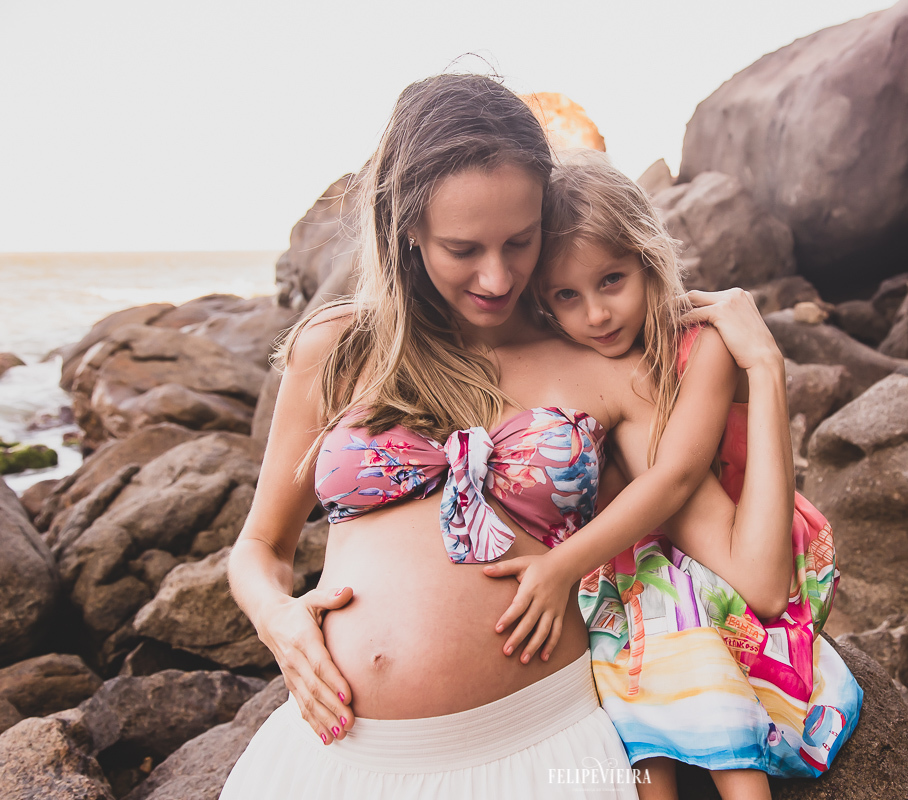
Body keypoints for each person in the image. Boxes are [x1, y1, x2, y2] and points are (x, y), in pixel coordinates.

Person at [219, 74, 790, 800]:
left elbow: (759, 580)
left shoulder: (606, 373)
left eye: (520, 242)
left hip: (542, 759)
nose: (496, 278)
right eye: (463, 248)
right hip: (333, 766)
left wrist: (767, 371)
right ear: (407, 229)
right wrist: (277, 620)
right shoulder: (335, 350)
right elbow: (259, 548)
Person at [490, 153, 863, 799]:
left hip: (722, 555)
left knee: (679, 639)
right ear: (544, 302)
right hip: (627, 581)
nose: (597, 314)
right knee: (637, 723)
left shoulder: (696, 345)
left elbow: (678, 476)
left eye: (612, 280)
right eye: (567, 296)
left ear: (648, 260)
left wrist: (765, 365)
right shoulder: (567, 369)